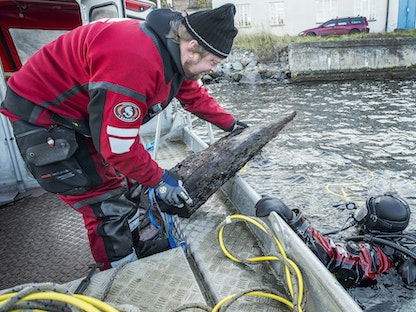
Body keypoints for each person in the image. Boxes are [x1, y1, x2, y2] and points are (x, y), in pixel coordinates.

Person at [0, 3, 248, 270]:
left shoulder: (174, 49)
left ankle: (134, 241)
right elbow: (118, 148)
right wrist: (160, 180)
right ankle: (122, 274)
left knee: (129, 183)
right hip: (45, 116)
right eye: (212, 62)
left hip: (81, 115)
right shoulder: (135, 61)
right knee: (104, 203)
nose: (212, 70)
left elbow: (193, 94)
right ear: (192, 48)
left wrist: (232, 124)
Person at [255, 193, 416, 287]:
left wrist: (292, 218)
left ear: (375, 221)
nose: (360, 217)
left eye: (364, 213)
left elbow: (332, 257)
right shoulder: (403, 242)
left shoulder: (375, 257)